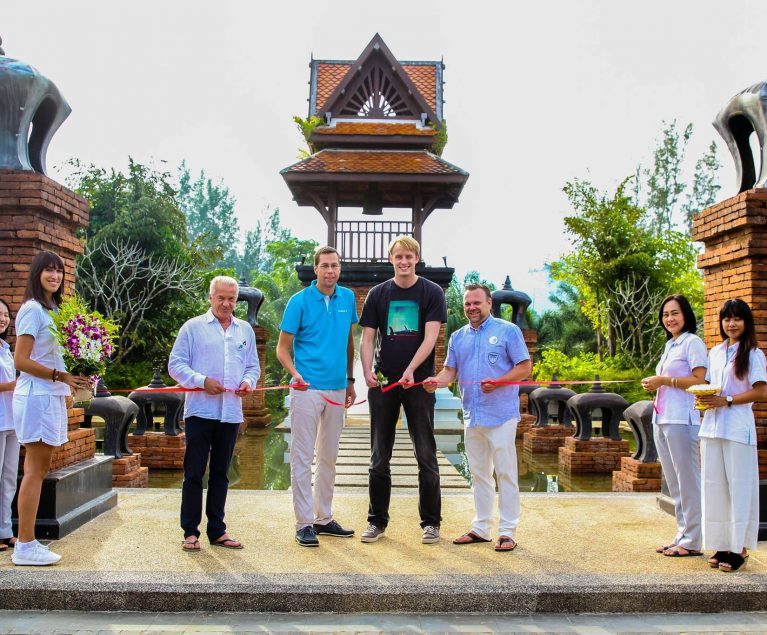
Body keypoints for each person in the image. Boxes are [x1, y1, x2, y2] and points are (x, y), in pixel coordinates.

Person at [424, 284, 531, 552]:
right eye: (467, 304)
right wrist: (435, 382)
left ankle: (507, 532)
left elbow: (525, 367)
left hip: (502, 415)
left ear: (489, 303)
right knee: (479, 474)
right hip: (472, 416)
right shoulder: (458, 337)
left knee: (505, 473)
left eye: (476, 303)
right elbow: (450, 372)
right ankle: (481, 527)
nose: (472, 308)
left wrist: (499, 381)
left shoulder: (508, 331)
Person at [359, 235, 447, 544]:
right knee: (379, 455)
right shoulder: (378, 294)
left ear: (417, 259)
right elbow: (368, 338)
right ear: (391, 259)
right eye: (398, 256)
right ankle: (377, 521)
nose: (404, 261)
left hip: (419, 383)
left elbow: (430, 337)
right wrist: (367, 369)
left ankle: (431, 522)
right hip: (384, 383)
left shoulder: (431, 292)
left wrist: (411, 370)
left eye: (409, 256)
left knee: (426, 453)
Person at [168, 275, 260, 552]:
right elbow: (176, 365)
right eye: (221, 298)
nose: (226, 303)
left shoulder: (245, 330)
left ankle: (217, 530)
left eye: (231, 299)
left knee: (222, 473)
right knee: (194, 472)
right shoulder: (193, 328)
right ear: (210, 298)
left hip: (230, 413)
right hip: (200, 411)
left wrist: (249, 383)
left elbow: (252, 367)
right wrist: (201, 380)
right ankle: (190, 532)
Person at [12, 251, 91, 566]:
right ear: (37, 274)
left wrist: (80, 373)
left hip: (52, 394)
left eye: (58, 271)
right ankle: (25, 545)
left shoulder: (55, 310)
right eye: (48, 270)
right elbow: (21, 360)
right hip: (36, 395)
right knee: (33, 471)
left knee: (40, 469)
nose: (54, 276)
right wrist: (61, 375)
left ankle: (28, 542)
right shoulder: (32, 309)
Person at [276, 246, 358, 547]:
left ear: (340, 269)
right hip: (306, 390)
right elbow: (282, 349)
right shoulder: (299, 302)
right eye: (325, 266)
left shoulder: (347, 298)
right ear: (316, 269)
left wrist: (350, 380)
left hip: (337, 389)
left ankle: (323, 518)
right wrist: (296, 374)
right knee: (301, 456)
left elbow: (349, 342)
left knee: (329, 457)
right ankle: (304, 523)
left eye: (335, 266)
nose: (330, 271)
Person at [697, 299, 767, 572]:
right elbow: (709, 386)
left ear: (746, 322)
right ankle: (723, 542)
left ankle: (740, 547)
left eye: (737, 318)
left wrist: (725, 399)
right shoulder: (714, 352)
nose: (731, 324)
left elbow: (761, 392)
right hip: (713, 428)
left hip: (737, 428)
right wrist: (704, 398)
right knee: (715, 487)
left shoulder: (753, 354)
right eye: (727, 319)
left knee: (739, 488)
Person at [641, 294, 707, 558]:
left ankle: (693, 540)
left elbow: (699, 380)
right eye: (666, 314)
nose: (670, 319)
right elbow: (667, 380)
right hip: (663, 418)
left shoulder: (693, 342)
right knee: (674, 483)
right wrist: (656, 384)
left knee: (688, 480)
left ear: (686, 315)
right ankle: (682, 534)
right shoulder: (671, 345)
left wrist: (664, 381)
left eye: (675, 313)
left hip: (682, 418)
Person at [0, 298, 18, 553]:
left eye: (4, 314)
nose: (2, 318)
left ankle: (5, 530)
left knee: (9, 478)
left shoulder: (6, 348)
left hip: (12, 420)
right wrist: (15, 385)